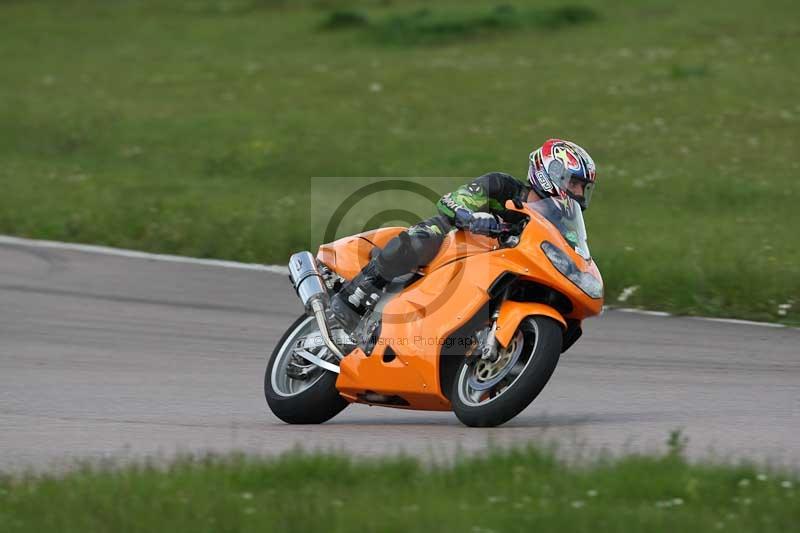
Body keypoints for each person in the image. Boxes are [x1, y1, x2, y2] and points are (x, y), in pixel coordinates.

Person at [331, 138, 597, 330]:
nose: (579, 194)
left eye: (584, 188)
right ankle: (356, 294)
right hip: (459, 244)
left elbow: (570, 252)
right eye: (575, 183)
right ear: (551, 173)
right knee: (425, 236)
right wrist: (471, 218)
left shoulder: (564, 223)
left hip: (503, 267)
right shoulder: (501, 185)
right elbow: (451, 202)